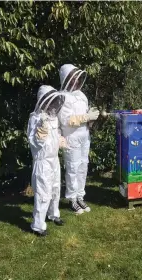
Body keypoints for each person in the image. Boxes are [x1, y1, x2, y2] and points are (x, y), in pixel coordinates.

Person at [58, 64, 100, 214]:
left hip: (84, 136)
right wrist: (86, 117)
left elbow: (86, 116)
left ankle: (81, 196)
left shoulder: (82, 96)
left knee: (83, 167)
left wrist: (92, 117)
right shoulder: (62, 97)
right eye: (72, 78)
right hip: (71, 138)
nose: (76, 81)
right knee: (73, 168)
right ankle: (72, 200)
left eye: (77, 78)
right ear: (66, 79)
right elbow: (66, 120)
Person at [27, 85, 67, 237]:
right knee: (43, 193)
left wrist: (61, 140)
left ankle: (54, 214)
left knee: (56, 188)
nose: (52, 105)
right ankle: (37, 225)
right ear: (43, 101)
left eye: (54, 101)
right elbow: (35, 143)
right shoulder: (35, 119)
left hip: (54, 160)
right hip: (42, 162)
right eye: (49, 102)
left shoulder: (53, 117)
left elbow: (56, 134)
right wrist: (41, 132)